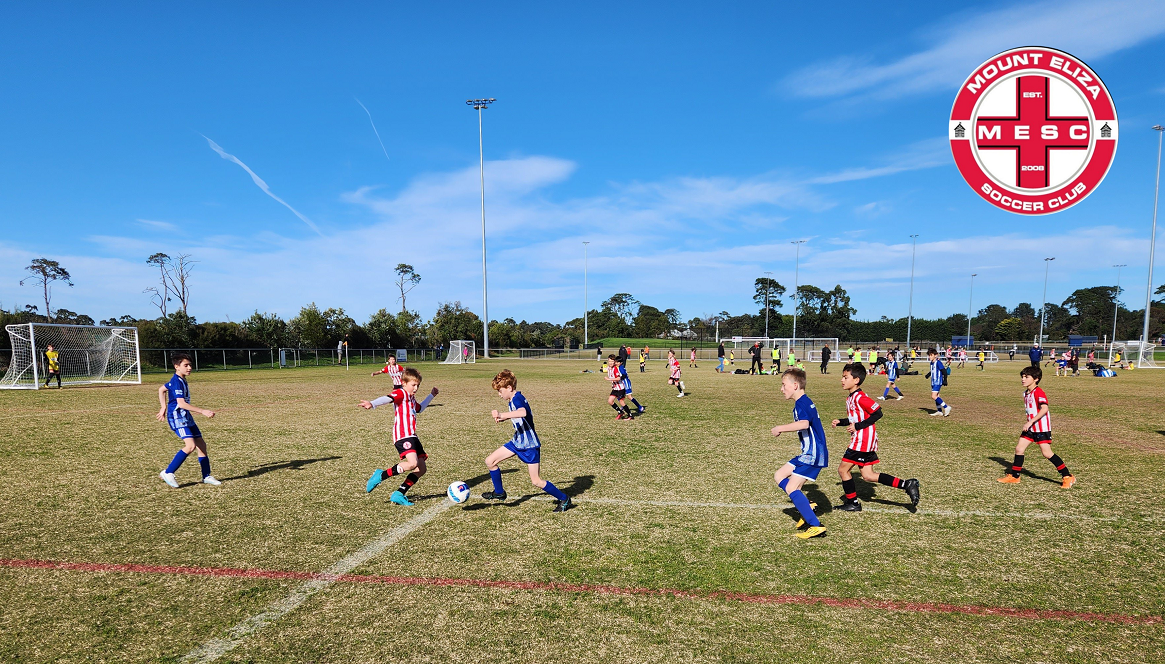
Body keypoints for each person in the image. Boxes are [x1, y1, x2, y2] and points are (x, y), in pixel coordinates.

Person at [832, 363, 920, 511]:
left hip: (862, 440)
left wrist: (858, 427)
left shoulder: (860, 397)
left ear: (856, 380)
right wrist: (842, 422)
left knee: (843, 470)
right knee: (868, 475)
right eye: (842, 377)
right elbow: (856, 418)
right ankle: (907, 484)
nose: (842, 380)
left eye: (845, 377)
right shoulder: (851, 398)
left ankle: (852, 503)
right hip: (863, 439)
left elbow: (878, 412)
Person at [482, 369, 573, 511]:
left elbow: (522, 412)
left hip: (529, 446)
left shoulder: (517, 398)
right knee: (490, 461)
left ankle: (564, 499)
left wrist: (503, 414)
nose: (499, 394)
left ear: (509, 388)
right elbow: (519, 417)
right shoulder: (512, 399)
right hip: (517, 441)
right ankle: (499, 493)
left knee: (536, 481)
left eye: (500, 391)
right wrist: (503, 417)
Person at [361, 367, 439, 506]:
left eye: (417, 385)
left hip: (412, 436)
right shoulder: (401, 393)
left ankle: (399, 494)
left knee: (421, 469)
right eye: (413, 385)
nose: (415, 388)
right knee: (412, 464)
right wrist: (372, 403)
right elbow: (388, 398)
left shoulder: (411, 398)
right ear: (403, 383)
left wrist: (431, 395)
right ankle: (380, 475)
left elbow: (419, 409)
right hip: (402, 436)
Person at [770, 368, 829, 539]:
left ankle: (816, 526)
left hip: (813, 454)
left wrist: (780, 428)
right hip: (808, 453)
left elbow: (803, 424)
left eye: (783, 385)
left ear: (795, 385)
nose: (782, 389)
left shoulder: (801, 403)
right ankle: (807, 506)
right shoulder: (804, 401)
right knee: (779, 475)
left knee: (791, 487)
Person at [998, 366, 1075, 488]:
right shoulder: (1025, 393)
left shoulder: (1039, 392)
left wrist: (1030, 422)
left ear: (1036, 379)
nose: (1023, 379)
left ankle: (1067, 476)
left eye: (1026, 377)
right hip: (1031, 428)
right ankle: (1015, 476)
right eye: (1022, 377)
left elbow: (1044, 409)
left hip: (1041, 428)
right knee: (1019, 449)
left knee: (1047, 453)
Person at [157, 353, 221, 488]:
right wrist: (203, 411)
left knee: (201, 445)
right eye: (186, 365)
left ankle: (206, 476)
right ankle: (168, 472)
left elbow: (162, 389)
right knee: (190, 446)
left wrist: (163, 406)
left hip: (185, 416)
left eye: (190, 365)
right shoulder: (176, 382)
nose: (189, 368)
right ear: (176, 366)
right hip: (177, 418)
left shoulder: (179, 379)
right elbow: (181, 404)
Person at [927, 348, 952, 417]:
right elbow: (933, 371)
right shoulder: (931, 363)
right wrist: (928, 375)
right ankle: (939, 411)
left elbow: (944, 371)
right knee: (937, 396)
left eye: (931, 355)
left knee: (933, 396)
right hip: (933, 382)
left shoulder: (938, 362)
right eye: (929, 355)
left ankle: (946, 407)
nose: (930, 357)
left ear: (935, 355)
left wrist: (945, 380)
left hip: (938, 382)